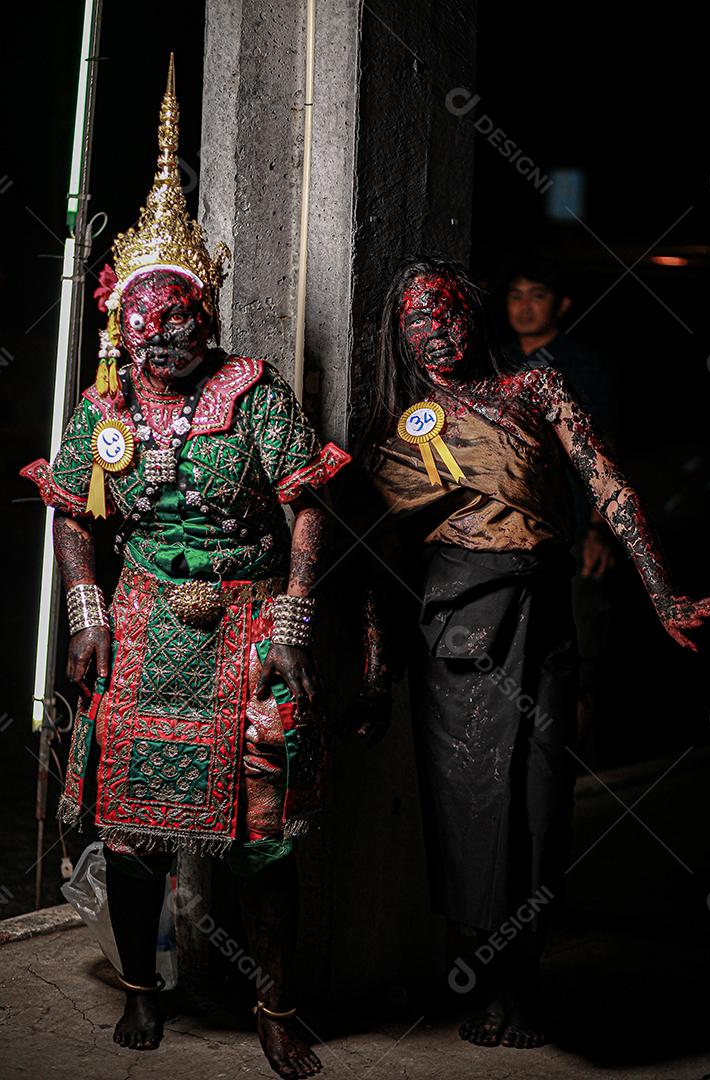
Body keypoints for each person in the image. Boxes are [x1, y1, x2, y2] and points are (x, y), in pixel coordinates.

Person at [21, 58, 350, 1080]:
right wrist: (85, 613)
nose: (161, 336)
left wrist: (297, 622)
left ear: (205, 314)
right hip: (142, 618)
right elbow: (73, 513)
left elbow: (306, 502)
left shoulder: (255, 395)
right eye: (142, 322)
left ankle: (277, 1005)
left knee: (264, 836)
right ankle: (145, 988)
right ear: (120, 324)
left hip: (250, 620)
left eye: (180, 319)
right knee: (130, 832)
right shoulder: (104, 408)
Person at [356, 256, 710, 1050]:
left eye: (447, 313)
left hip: (543, 614)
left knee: (540, 800)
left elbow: (610, 485)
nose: (435, 331)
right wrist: (377, 673)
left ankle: (526, 978)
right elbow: (379, 564)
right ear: (398, 334)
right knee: (472, 812)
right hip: (457, 631)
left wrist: (662, 593)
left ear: (475, 316)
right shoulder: (396, 426)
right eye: (417, 320)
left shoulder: (534, 389)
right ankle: (486, 985)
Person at [500, 255, 622, 757]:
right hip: (510, 531)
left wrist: (598, 531)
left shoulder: (582, 366)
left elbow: (605, 453)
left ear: (562, 305)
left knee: (574, 653)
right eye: (516, 294)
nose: (525, 306)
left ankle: (575, 764)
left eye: (538, 295)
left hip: (571, 529)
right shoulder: (495, 360)